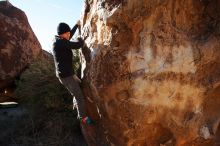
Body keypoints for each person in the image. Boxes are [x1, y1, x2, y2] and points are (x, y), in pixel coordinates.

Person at [52, 21, 93, 125]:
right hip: (67, 76)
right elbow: (78, 45)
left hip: (67, 74)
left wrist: (76, 26)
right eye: (68, 33)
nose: (69, 35)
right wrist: (81, 39)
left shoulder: (60, 40)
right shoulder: (61, 43)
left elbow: (70, 35)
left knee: (79, 86)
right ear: (63, 33)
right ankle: (82, 117)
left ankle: (76, 103)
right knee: (79, 96)